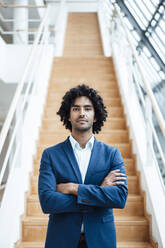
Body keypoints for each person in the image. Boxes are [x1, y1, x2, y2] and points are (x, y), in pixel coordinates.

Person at [38, 84, 128, 248]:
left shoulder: (112, 154)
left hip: (101, 239)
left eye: (87, 108)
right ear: (68, 116)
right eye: (76, 109)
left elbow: (119, 197)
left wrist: (74, 188)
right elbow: (47, 202)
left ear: (95, 116)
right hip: (61, 240)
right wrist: (99, 192)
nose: (82, 113)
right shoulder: (50, 155)